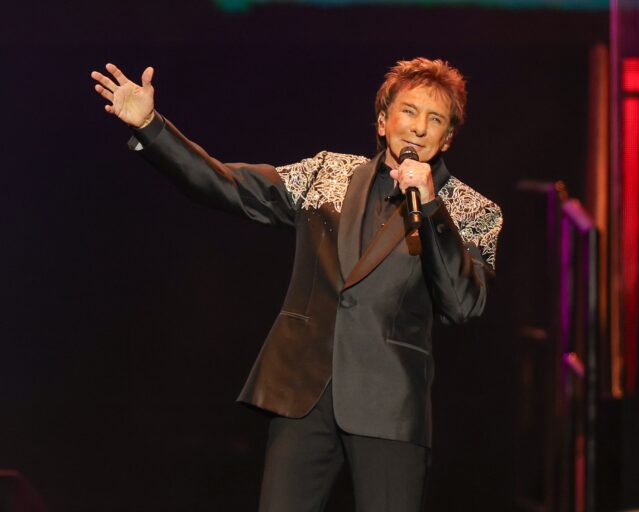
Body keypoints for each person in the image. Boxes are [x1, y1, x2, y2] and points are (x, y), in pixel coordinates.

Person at [91, 57, 502, 512]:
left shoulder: (472, 211)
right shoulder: (328, 174)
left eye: (435, 119)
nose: (419, 127)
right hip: (304, 392)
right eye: (409, 111)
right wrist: (152, 126)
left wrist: (429, 209)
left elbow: (463, 304)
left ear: (448, 137)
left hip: (390, 406)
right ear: (383, 122)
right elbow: (230, 186)